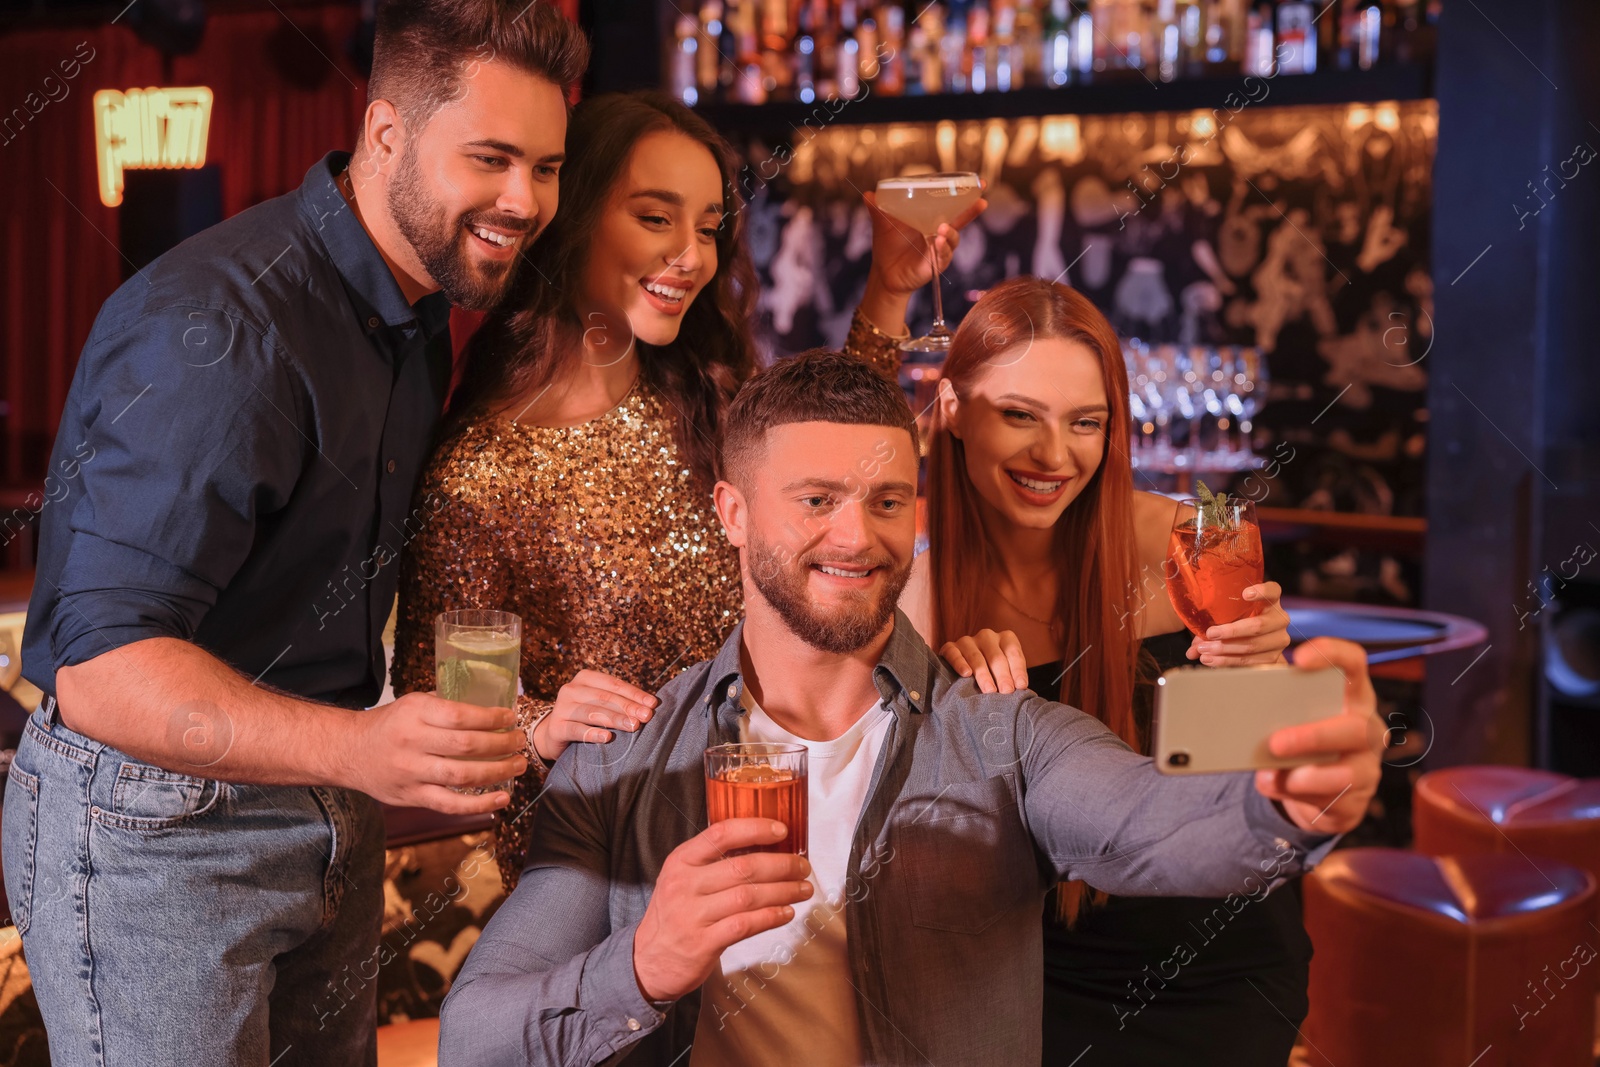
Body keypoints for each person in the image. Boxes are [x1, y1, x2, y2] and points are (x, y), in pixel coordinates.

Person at [435, 350, 1383, 1066]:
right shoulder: (622, 757)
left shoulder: (1001, 733)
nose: (857, 534)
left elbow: (1152, 824)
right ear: (731, 514)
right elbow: (473, 1037)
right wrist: (642, 962)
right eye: (815, 498)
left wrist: (1284, 803)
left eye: (888, 501)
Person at [3, 3, 588, 1063]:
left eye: (545, 166)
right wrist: (363, 743)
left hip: (324, 803)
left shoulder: (413, 312)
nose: (524, 200)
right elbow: (99, 667)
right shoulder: (227, 329)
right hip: (154, 829)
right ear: (384, 136)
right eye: (492, 158)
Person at [390, 91, 985, 889]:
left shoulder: (704, 400)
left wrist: (889, 286)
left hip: (767, 835)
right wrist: (544, 724)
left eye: (707, 228)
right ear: (571, 220)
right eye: (655, 217)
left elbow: (827, 466)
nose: (692, 256)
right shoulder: (481, 473)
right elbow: (451, 713)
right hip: (600, 882)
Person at [902, 276, 1310, 1063]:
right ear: (951, 408)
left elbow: (1255, 785)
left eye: (1084, 423)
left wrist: (1263, 676)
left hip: (1221, 968)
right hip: (1031, 976)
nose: (1054, 455)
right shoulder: (917, 607)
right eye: (1019, 415)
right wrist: (948, 718)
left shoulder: (1193, 541)